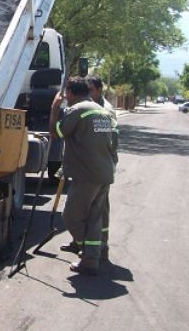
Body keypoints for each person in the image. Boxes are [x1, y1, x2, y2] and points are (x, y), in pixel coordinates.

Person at [50, 76, 117, 276]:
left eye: (66, 93)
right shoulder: (102, 110)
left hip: (87, 175)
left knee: (71, 217)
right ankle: (92, 259)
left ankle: (89, 253)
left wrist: (54, 108)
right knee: (94, 218)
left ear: (70, 93)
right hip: (104, 172)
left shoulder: (77, 111)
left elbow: (57, 133)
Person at [85, 75, 118, 263]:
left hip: (100, 166)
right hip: (89, 165)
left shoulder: (105, 111)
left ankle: (101, 245)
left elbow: (108, 142)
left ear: (98, 91)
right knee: (85, 206)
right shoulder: (89, 107)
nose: (87, 94)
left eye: (90, 90)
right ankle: (80, 242)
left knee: (99, 207)